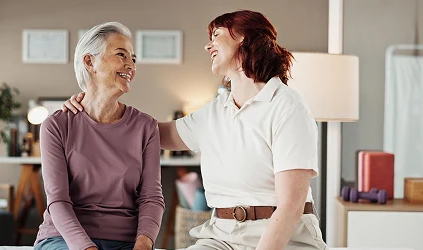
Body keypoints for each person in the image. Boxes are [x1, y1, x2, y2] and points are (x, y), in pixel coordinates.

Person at [63, 10, 327, 250]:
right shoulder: (215, 111)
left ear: (245, 39)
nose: (208, 45)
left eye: (217, 35)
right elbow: (149, 133)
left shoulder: (286, 105)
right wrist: (90, 107)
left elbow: (291, 206)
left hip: (285, 238)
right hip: (222, 237)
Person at [34, 22, 165, 250]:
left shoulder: (146, 127)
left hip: (126, 241)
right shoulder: (56, 125)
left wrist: (143, 244)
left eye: (133, 58)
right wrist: (87, 248)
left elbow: (151, 198)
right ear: (89, 62)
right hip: (63, 239)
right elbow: (58, 201)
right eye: (120, 54)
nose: (130, 65)